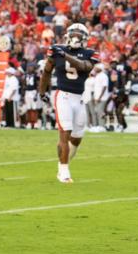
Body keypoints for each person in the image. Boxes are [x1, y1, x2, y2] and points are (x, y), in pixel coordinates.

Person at [39, 23, 96, 183]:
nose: (76, 37)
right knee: (65, 133)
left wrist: (65, 56)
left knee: (77, 138)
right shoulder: (56, 50)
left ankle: (61, 165)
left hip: (79, 98)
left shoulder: (89, 53)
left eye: (79, 34)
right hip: (63, 96)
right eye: (74, 33)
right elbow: (47, 71)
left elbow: (84, 67)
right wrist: (42, 91)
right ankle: (64, 171)